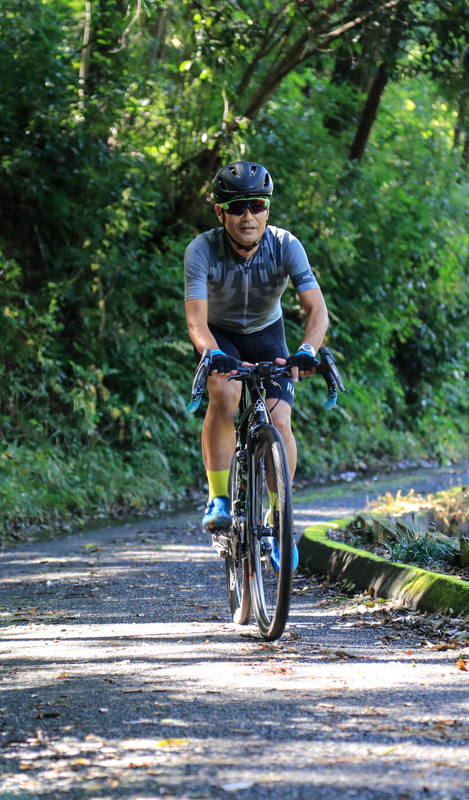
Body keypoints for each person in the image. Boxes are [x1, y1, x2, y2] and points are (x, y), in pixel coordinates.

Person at [183, 161, 330, 567]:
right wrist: (211, 353)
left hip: (268, 334)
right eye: (236, 207)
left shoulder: (285, 245)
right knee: (225, 394)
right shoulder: (201, 249)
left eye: (256, 205)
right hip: (221, 335)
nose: (247, 215)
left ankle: (280, 517)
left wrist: (307, 350)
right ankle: (219, 499)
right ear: (220, 212)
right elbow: (196, 318)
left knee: (280, 420)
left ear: (267, 208)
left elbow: (317, 309)